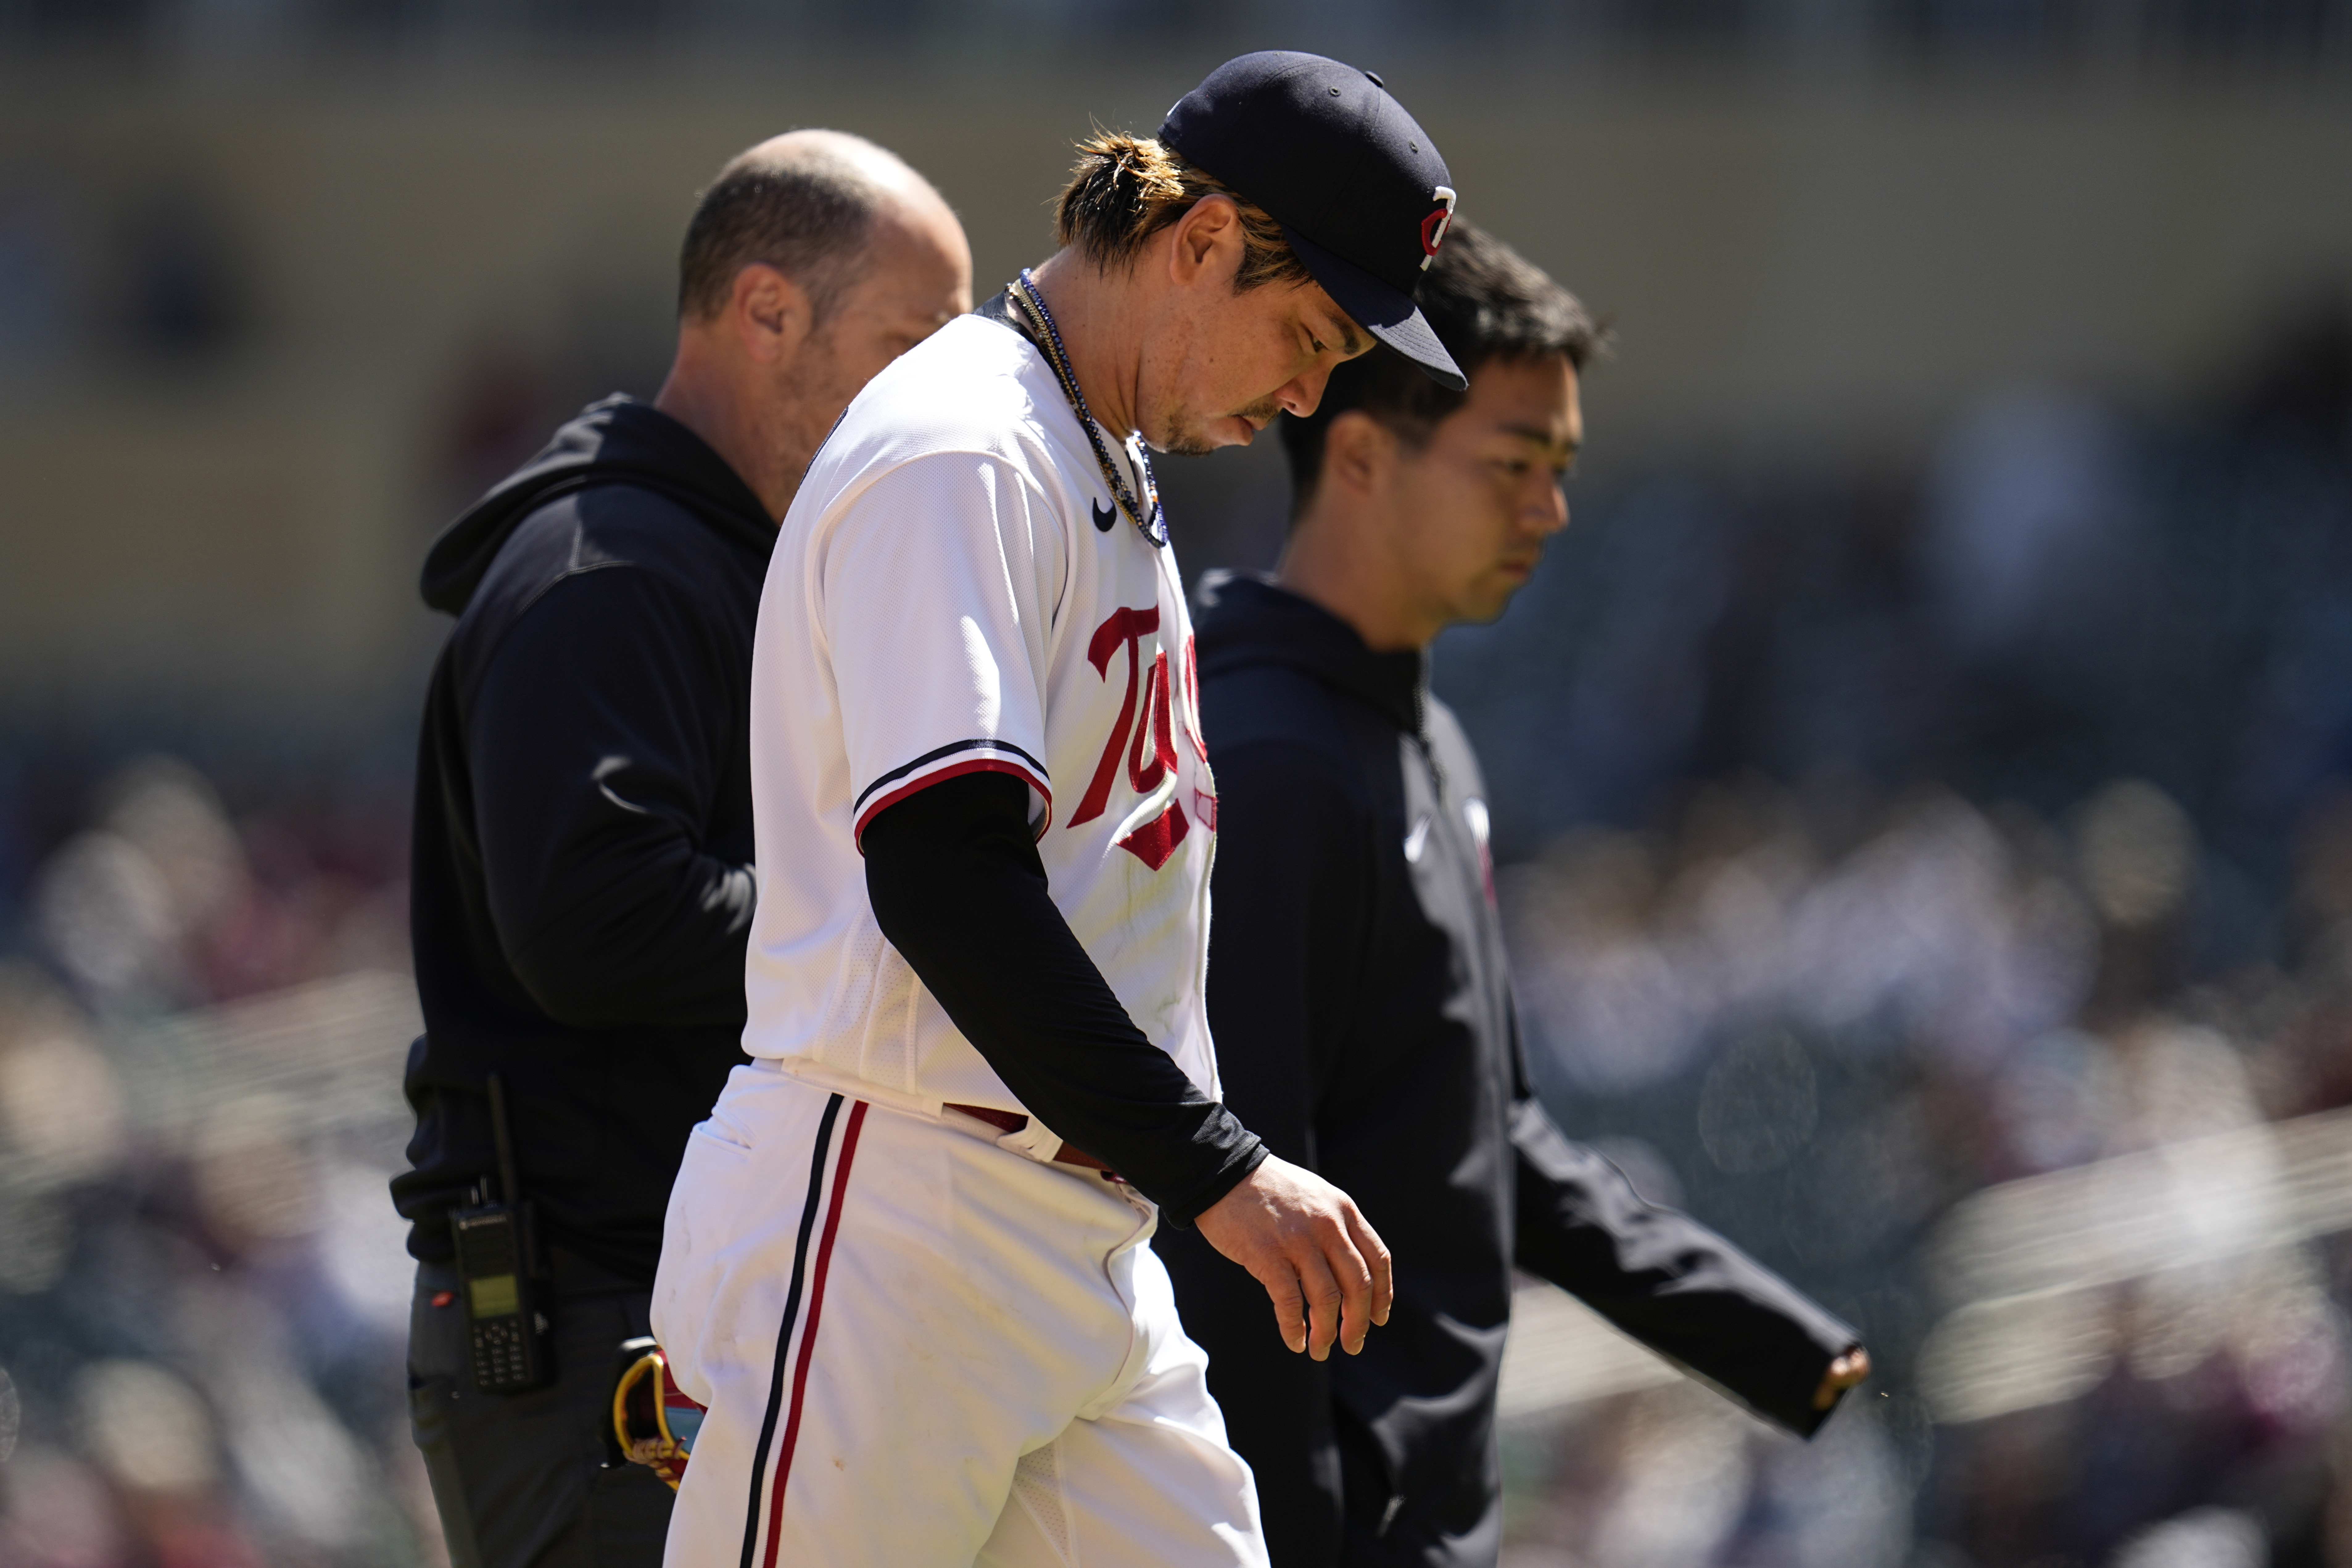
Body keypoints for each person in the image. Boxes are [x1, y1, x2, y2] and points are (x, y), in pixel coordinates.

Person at [649, 52, 1466, 1568]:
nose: (1307, 390)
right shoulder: (968, 443)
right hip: (894, 1198)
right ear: (1205, 238)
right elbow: (943, 870)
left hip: (1071, 1230)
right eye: (1305, 334)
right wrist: (1220, 1161)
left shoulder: (1096, 452)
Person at [1154, 219, 1872, 1568]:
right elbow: (1232, 1222)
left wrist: (1777, 1345)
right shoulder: (1265, 759)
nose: (1547, 510)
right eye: (1509, 466)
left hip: (1430, 1504)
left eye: (1559, 469)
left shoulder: (1418, 737)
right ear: (1360, 456)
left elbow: (1497, 1138)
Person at [391, 131, 972, 1568]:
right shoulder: (614, 569)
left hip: (707, 1310)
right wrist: (929, 935)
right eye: (906, 344)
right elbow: (597, 914)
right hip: (609, 1328)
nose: (931, 401)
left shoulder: (734, 558)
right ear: (766, 310)